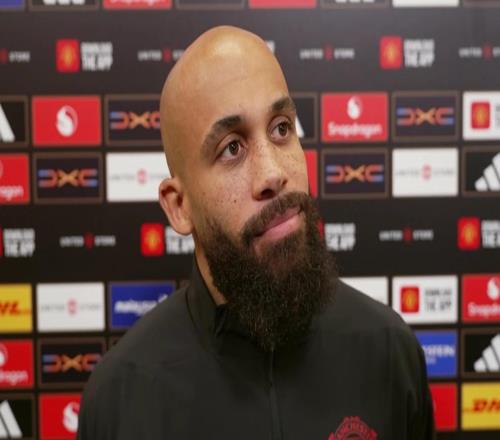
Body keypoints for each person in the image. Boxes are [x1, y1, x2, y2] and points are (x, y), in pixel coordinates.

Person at [77, 25, 435, 439]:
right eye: (232, 147)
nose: (273, 173)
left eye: (281, 128)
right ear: (179, 206)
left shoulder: (388, 352)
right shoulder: (120, 398)